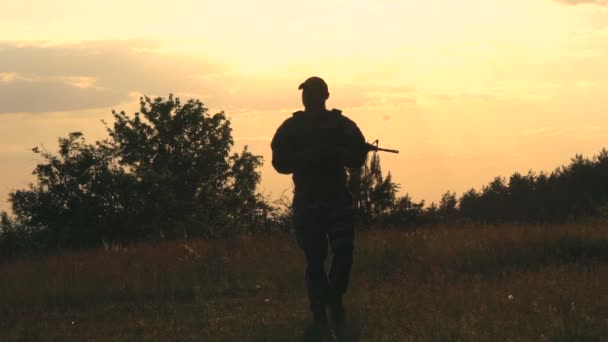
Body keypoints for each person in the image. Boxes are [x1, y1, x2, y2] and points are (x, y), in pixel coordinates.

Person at [271, 76, 368, 339]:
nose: (308, 98)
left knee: (343, 252)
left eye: (313, 93)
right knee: (314, 259)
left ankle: (333, 299)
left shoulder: (341, 124)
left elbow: (357, 156)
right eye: (306, 93)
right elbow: (279, 161)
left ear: (325, 96)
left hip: (337, 198)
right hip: (308, 200)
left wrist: (342, 153)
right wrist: (306, 158)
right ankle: (319, 311)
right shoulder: (291, 128)